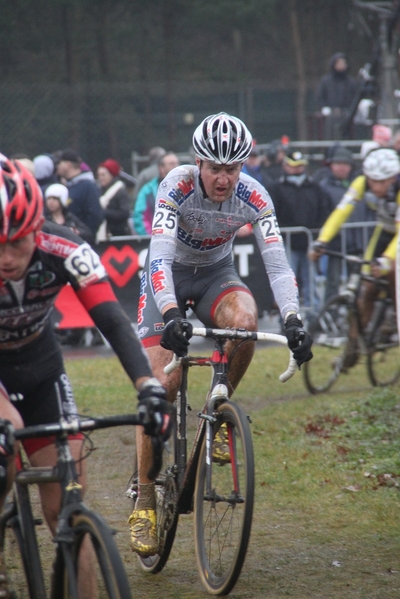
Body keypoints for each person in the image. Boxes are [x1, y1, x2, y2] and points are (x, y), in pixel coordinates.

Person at [130, 112, 313, 558]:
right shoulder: (176, 185)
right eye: (215, 168)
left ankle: (219, 409)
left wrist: (292, 318)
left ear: (243, 166)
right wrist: (171, 312)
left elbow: (276, 263)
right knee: (161, 386)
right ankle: (146, 493)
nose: (224, 179)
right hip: (168, 276)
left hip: (217, 275)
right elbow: (158, 256)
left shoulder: (254, 195)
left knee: (246, 322)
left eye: (232, 169)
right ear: (199, 162)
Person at [0, 156, 170, 598]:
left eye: (16, 242)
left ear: (36, 227)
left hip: (42, 370)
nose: (6, 257)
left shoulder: (65, 248)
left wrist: (148, 387)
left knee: (66, 508)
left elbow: (112, 320)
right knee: (9, 434)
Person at [309, 147, 400, 368]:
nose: (377, 187)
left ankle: (393, 320)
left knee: (393, 274)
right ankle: (351, 351)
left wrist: (387, 261)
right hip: (384, 231)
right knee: (366, 288)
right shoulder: (361, 182)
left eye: (383, 182)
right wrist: (322, 240)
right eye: (373, 181)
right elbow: (340, 212)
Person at [268, 150, 334, 307]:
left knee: (311, 281)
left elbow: (324, 211)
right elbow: (271, 213)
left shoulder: (315, 188)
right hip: (286, 242)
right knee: (286, 281)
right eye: (293, 166)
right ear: (285, 165)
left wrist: (318, 235)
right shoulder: (276, 188)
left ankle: (314, 317)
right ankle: (285, 317)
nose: (297, 169)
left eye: (300, 166)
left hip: (309, 242)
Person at [318, 145, 374, 301]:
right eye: (338, 164)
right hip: (337, 244)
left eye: (345, 164)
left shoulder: (361, 186)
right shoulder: (324, 187)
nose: (342, 168)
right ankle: (331, 315)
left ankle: (355, 317)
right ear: (331, 165)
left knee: (358, 282)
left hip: (358, 243)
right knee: (333, 282)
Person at [56, 149, 103, 237]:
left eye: (59, 163)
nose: (57, 166)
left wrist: (85, 234)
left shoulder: (87, 186)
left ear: (68, 165)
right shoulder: (66, 186)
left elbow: (96, 215)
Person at [133, 152, 180, 235]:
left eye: (177, 163)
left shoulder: (189, 187)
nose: (176, 166)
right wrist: (150, 238)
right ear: (161, 168)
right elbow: (140, 217)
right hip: (155, 241)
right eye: (172, 164)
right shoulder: (148, 191)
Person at [315, 53, 359, 139]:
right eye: (338, 63)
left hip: (347, 114)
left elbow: (355, 98)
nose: (341, 65)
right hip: (330, 115)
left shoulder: (351, 82)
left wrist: (351, 110)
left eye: (343, 63)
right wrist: (324, 108)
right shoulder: (326, 81)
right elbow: (320, 96)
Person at [96, 158, 132, 241]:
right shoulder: (98, 190)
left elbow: (124, 213)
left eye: (103, 175)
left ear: (111, 174)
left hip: (118, 235)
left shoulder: (120, 192)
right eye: (99, 175)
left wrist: (104, 213)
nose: (101, 178)